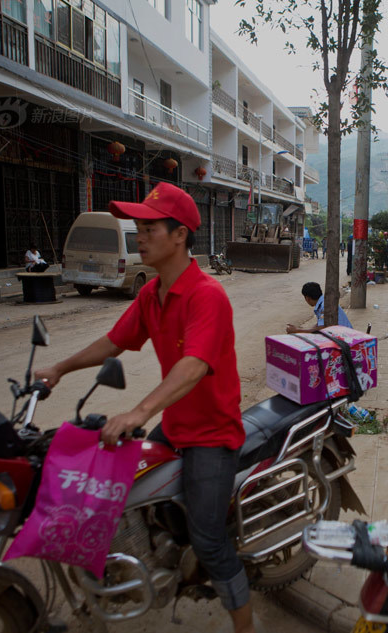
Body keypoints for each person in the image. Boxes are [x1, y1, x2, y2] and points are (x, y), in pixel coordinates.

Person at [34, 183, 255, 633]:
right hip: (175, 427)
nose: (140, 235)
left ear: (180, 235)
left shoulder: (205, 294)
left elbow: (194, 366)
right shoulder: (151, 293)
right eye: (138, 227)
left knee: (210, 542)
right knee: (125, 495)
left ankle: (246, 627)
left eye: (149, 227)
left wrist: (138, 412)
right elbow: (114, 342)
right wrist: (59, 368)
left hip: (211, 436)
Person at [286, 281, 352, 333]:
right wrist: (299, 329)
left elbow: (321, 328)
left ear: (307, 298)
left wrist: (297, 330)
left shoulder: (324, 306)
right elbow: (319, 324)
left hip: (345, 338)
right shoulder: (324, 302)